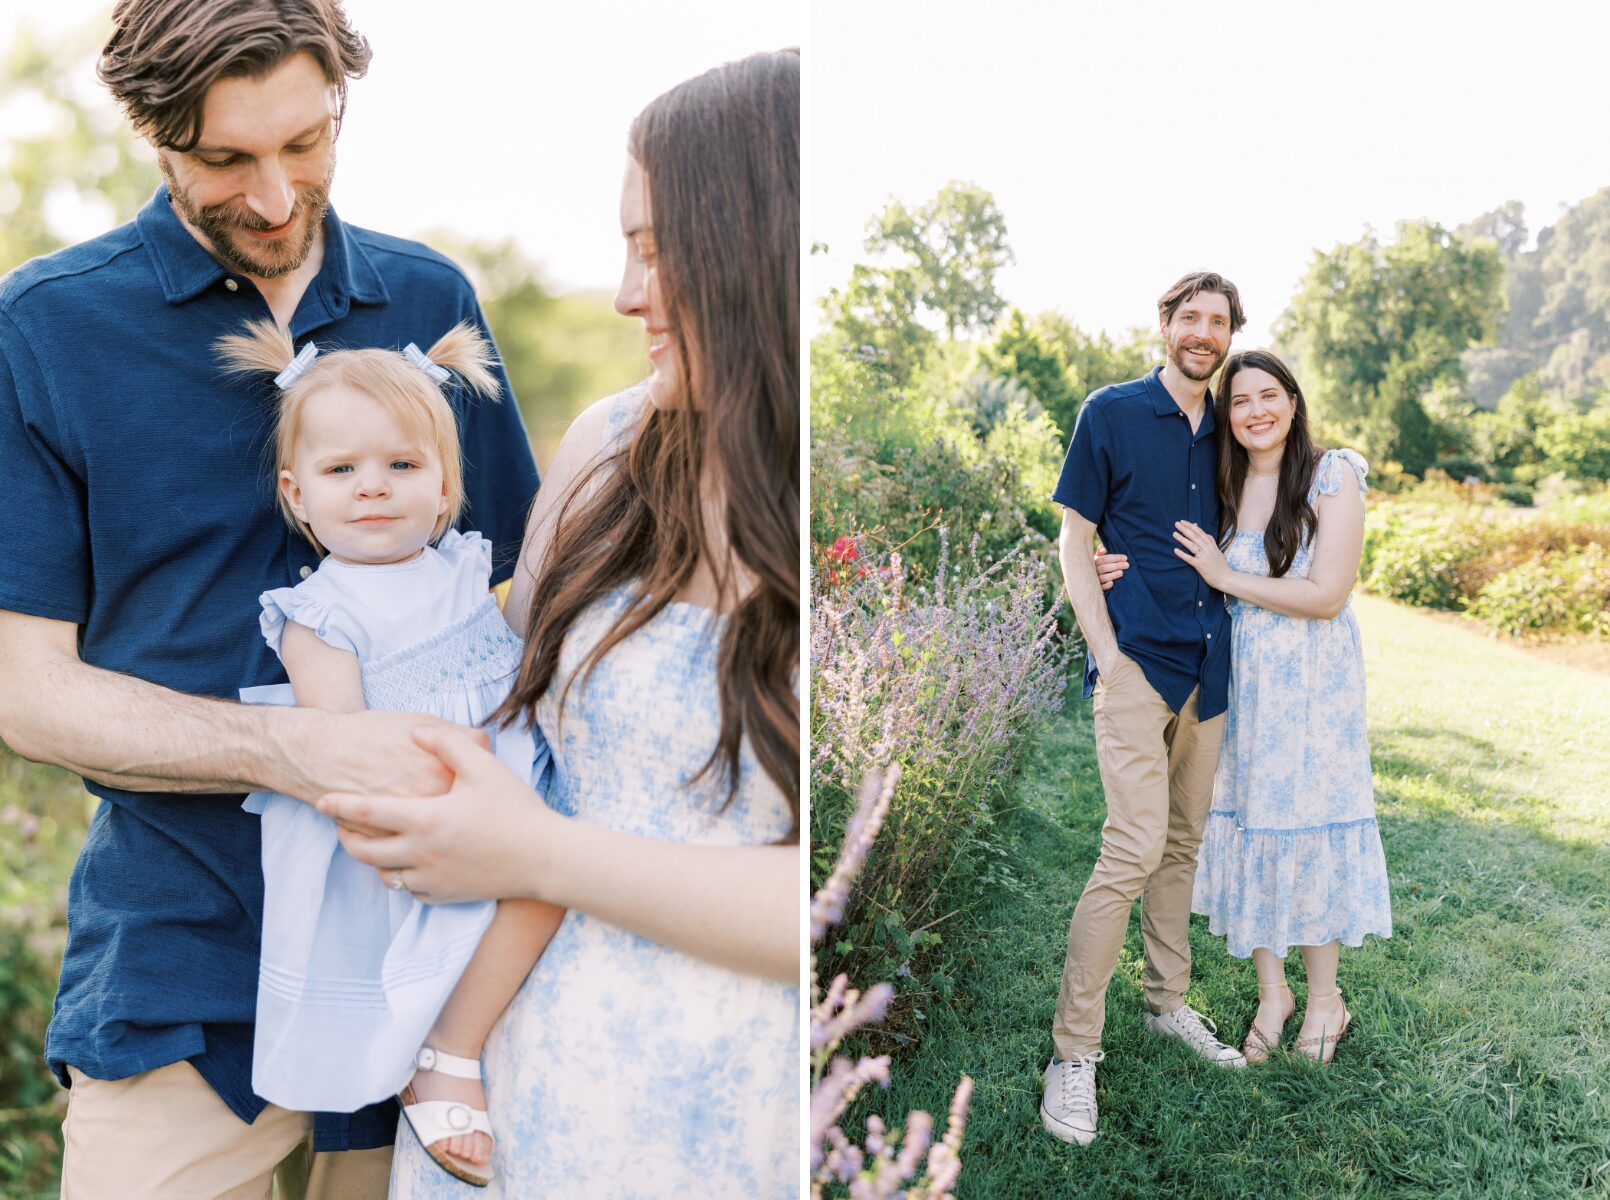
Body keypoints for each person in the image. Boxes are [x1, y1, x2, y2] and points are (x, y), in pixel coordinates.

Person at [0, 2, 538, 1195]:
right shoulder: (44, 328)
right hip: (185, 961)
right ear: (152, 135)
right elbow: (26, 694)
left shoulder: (429, 296)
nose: (279, 197)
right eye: (226, 160)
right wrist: (310, 751)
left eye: (306, 142)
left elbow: (518, 604)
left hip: (435, 969)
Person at [320, 49, 801, 1199]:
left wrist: (536, 851)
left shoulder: (824, 522)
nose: (629, 293)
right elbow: (504, 709)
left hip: (722, 1106)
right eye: (623, 249)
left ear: (754, 245)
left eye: (654, 249)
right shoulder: (607, 446)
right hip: (500, 1077)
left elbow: (819, 898)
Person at [219, 318, 565, 1187]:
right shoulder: (321, 613)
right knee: (535, 888)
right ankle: (443, 1052)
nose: (373, 489)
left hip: (507, 786)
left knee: (562, 885)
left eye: (402, 467)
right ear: (298, 495)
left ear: (446, 484)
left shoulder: (461, 571)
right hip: (409, 815)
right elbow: (342, 753)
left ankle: (473, 1042)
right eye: (343, 472)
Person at [1040, 271, 1250, 1149]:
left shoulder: (1239, 424)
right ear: (1165, 324)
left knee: (1181, 844)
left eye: (1219, 322)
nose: (1203, 333)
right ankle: (1074, 1054)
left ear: (1233, 334)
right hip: (1137, 663)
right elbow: (1073, 539)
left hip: (1214, 666)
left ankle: (1167, 1002)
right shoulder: (1112, 412)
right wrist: (1103, 649)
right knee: (1129, 847)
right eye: (1190, 318)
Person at [1162, 349, 1392, 1062]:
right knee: (1252, 818)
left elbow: (1327, 596)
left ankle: (1326, 999)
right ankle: (1274, 992)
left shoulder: (1331, 475)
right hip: (1241, 681)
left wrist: (1230, 576)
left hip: (1312, 688)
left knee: (1307, 822)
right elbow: (1174, 558)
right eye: (1240, 400)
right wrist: (1108, 562)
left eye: (1270, 395)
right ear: (1225, 416)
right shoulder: (1222, 487)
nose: (1256, 410)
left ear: (1294, 403)